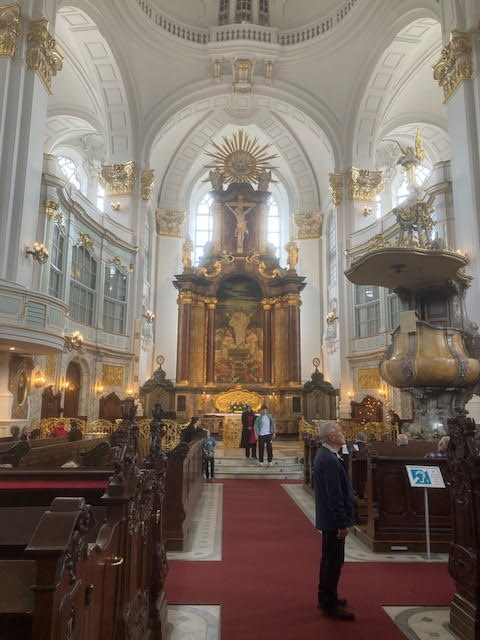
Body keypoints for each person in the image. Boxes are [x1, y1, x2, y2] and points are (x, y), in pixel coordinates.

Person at [313, 421, 356, 621]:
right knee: (334, 562)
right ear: (331, 436)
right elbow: (334, 495)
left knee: (328, 559)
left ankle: (325, 597)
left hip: (328, 517)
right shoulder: (329, 459)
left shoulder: (325, 455)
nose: (343, 433)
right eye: (339, 431)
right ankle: (330, 604)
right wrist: (342, 523)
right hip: (333, 520)